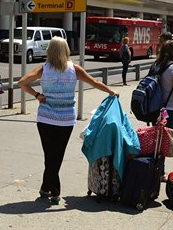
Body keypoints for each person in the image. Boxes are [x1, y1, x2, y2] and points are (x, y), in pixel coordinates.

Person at [17, 36, 118, 205]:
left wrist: (37, 95)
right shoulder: (74, 69)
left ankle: (49, 189)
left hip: (46, 118)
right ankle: (51, 190)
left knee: (50, 155)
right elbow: (94, 82)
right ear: (66, 51)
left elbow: (22, 82)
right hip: (66, 120)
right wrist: (111, 92)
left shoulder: (43, 69)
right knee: (57, 155)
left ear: (50, 51)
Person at [152, 40, 173, 130]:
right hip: (168, 109)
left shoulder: (155, 66)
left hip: (154, 108)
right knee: (169, 140)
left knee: (157, 138)